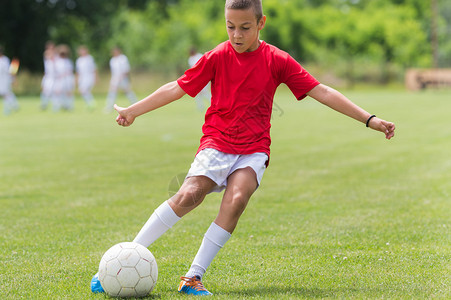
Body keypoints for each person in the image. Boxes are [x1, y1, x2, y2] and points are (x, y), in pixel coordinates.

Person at [91, 0, 396, 296]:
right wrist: (134, 110)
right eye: (230, 27)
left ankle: (193, 276)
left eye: (245, 27)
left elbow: (323, 91)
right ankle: (121, 261)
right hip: (217, 141)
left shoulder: (278, 59)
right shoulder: (217, 56)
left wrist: (368, 119)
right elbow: (177, 87)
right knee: (188, 195)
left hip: (253, 148)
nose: (237, 35)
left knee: (237, 199)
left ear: (261, 23)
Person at [104, 46, 137, 113]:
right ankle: (109, 107)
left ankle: (136, 104)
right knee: (112, 93)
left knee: (128, 91)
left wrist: (123, 78)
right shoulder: (112, 60)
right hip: (115, 79)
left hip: (123, 78)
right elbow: (113, 72)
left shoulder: (123, 58)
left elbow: (126, 69)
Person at [52, 44, 75, 111]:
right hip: (59, 79)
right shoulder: (57, 61)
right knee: (57, 92)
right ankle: (57, 106)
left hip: (67, 79)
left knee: (68, 93)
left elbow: (70, 71)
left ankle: (69, 106)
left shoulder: (68, 61)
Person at [75, 45, 97, 110]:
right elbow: (78, 71)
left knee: (84, 90)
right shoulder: (79, 60)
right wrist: (76, 79)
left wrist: (96, 77)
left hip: (89, 76)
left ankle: (91, 103)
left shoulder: (90, 58)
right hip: (82, 78)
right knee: (83, 91)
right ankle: (89, 104)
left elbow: (94, 69)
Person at [0, 45, 19, 115]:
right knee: (7, 94)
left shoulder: (5, 60)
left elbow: (10, 71)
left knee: (6, 94)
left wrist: (13, 79)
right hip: (1, 80)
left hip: (5, 80)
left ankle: (9, 108)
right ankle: (15, 105)